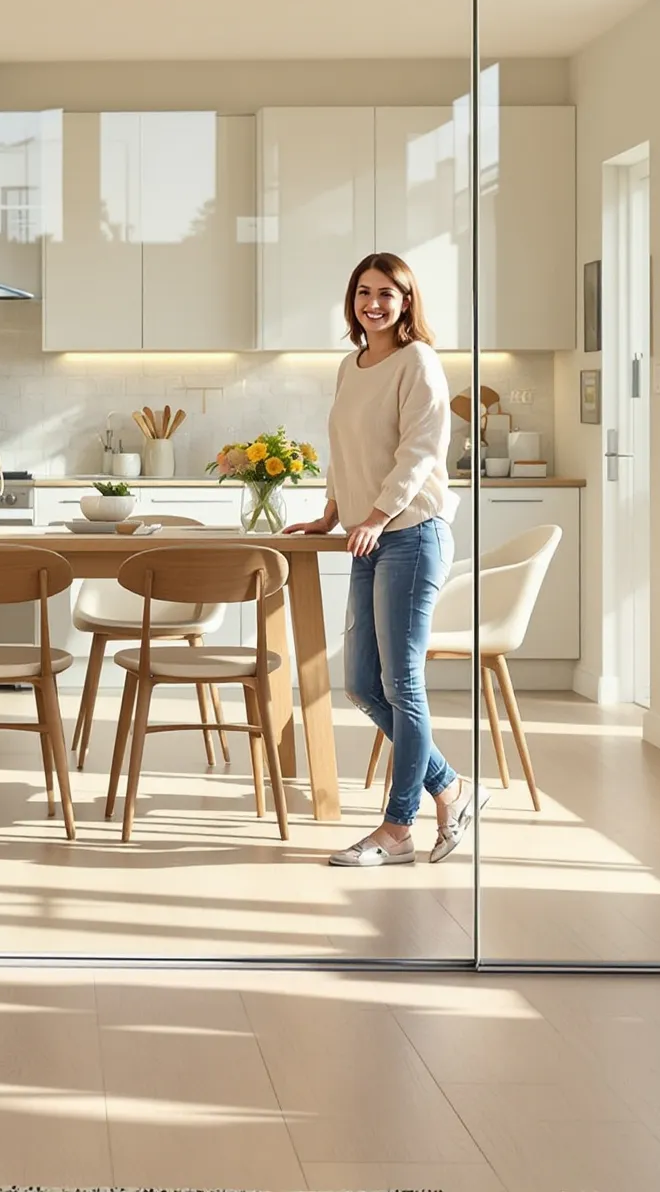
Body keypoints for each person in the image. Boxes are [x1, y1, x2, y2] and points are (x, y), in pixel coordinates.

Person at [283, 251, 476, 867]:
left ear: (406, 301)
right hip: (367, 533)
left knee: (403, 684)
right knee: (363, 683)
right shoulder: (353, 364)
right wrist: (333, 512)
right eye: (364, 291)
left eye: (387, 293)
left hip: (411, 534)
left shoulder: (417, 362)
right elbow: (344, 449)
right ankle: (450, 786)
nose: (374, 302)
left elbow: (420, 452)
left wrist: (375, 516)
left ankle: (397, 830)